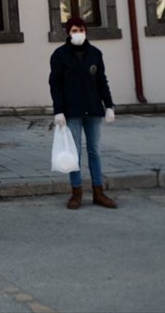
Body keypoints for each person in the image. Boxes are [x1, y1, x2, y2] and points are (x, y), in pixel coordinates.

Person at [50, 16, 117, 210]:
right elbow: (55, 84)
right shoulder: (60, 55)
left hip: (94, 109)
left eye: (81, 30)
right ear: (68, 33)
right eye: (74, 30)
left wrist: (110, 105)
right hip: (72, 111)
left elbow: (102, 81)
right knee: (75, 153)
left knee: (94, 151)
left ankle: (98, 192)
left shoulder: (95, 53)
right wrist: (58, 110)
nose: (78, 34)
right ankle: (76, 192)